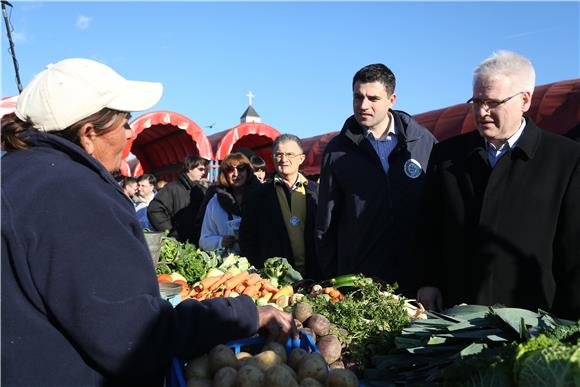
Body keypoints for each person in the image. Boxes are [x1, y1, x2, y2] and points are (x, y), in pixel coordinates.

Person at [1, 58, 297, 387]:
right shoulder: (73, 194)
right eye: (125, 121)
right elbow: (134, 335)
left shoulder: (15, 175)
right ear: (88, 134)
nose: (130, 133)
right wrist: (245, 315)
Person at [416, 51, 580, 320]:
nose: (482, 112)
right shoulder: (448, 156)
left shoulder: (565, 158)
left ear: (525, 100)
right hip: (455, 315)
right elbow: (428, 226)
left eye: (493, 102)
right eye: (477, 101)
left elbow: (573, 250)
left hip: (532, 319)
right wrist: (427, 279)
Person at [315, 63, 436, 294]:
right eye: (358, 97)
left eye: (373, 98)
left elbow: (438, 214)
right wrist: (332, 278)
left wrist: (432, 278)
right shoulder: (337, 150)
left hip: (414, 279)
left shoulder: (423, 142)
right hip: (359, 280)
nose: (363, 105)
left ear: (392, 99)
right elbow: (325, 222)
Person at [240, 134, 321, 279]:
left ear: (301, 159)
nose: (284, 159)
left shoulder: (317, 192)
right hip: (275, 279)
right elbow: (247, 238)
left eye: (290, 154)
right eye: (279, 154)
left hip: (315, 276)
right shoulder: (257, 195)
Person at [199, 153, 257, 254]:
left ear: (248, 170)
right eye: (230, 169)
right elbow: (204, 240)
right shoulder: (215, 202)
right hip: (228, 265)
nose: (235, 173)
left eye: (241, 168)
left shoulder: (261, 196)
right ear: (224, 173)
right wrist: (220, 241)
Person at [148, 155, 209, 242]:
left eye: (204, 169)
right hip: (177, 246)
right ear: (190, 168)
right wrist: (171, 232)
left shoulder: (202, 191)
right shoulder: (171, 188)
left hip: (198, 244)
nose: (203, 172)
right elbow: (154, 210)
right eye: (200, 169)